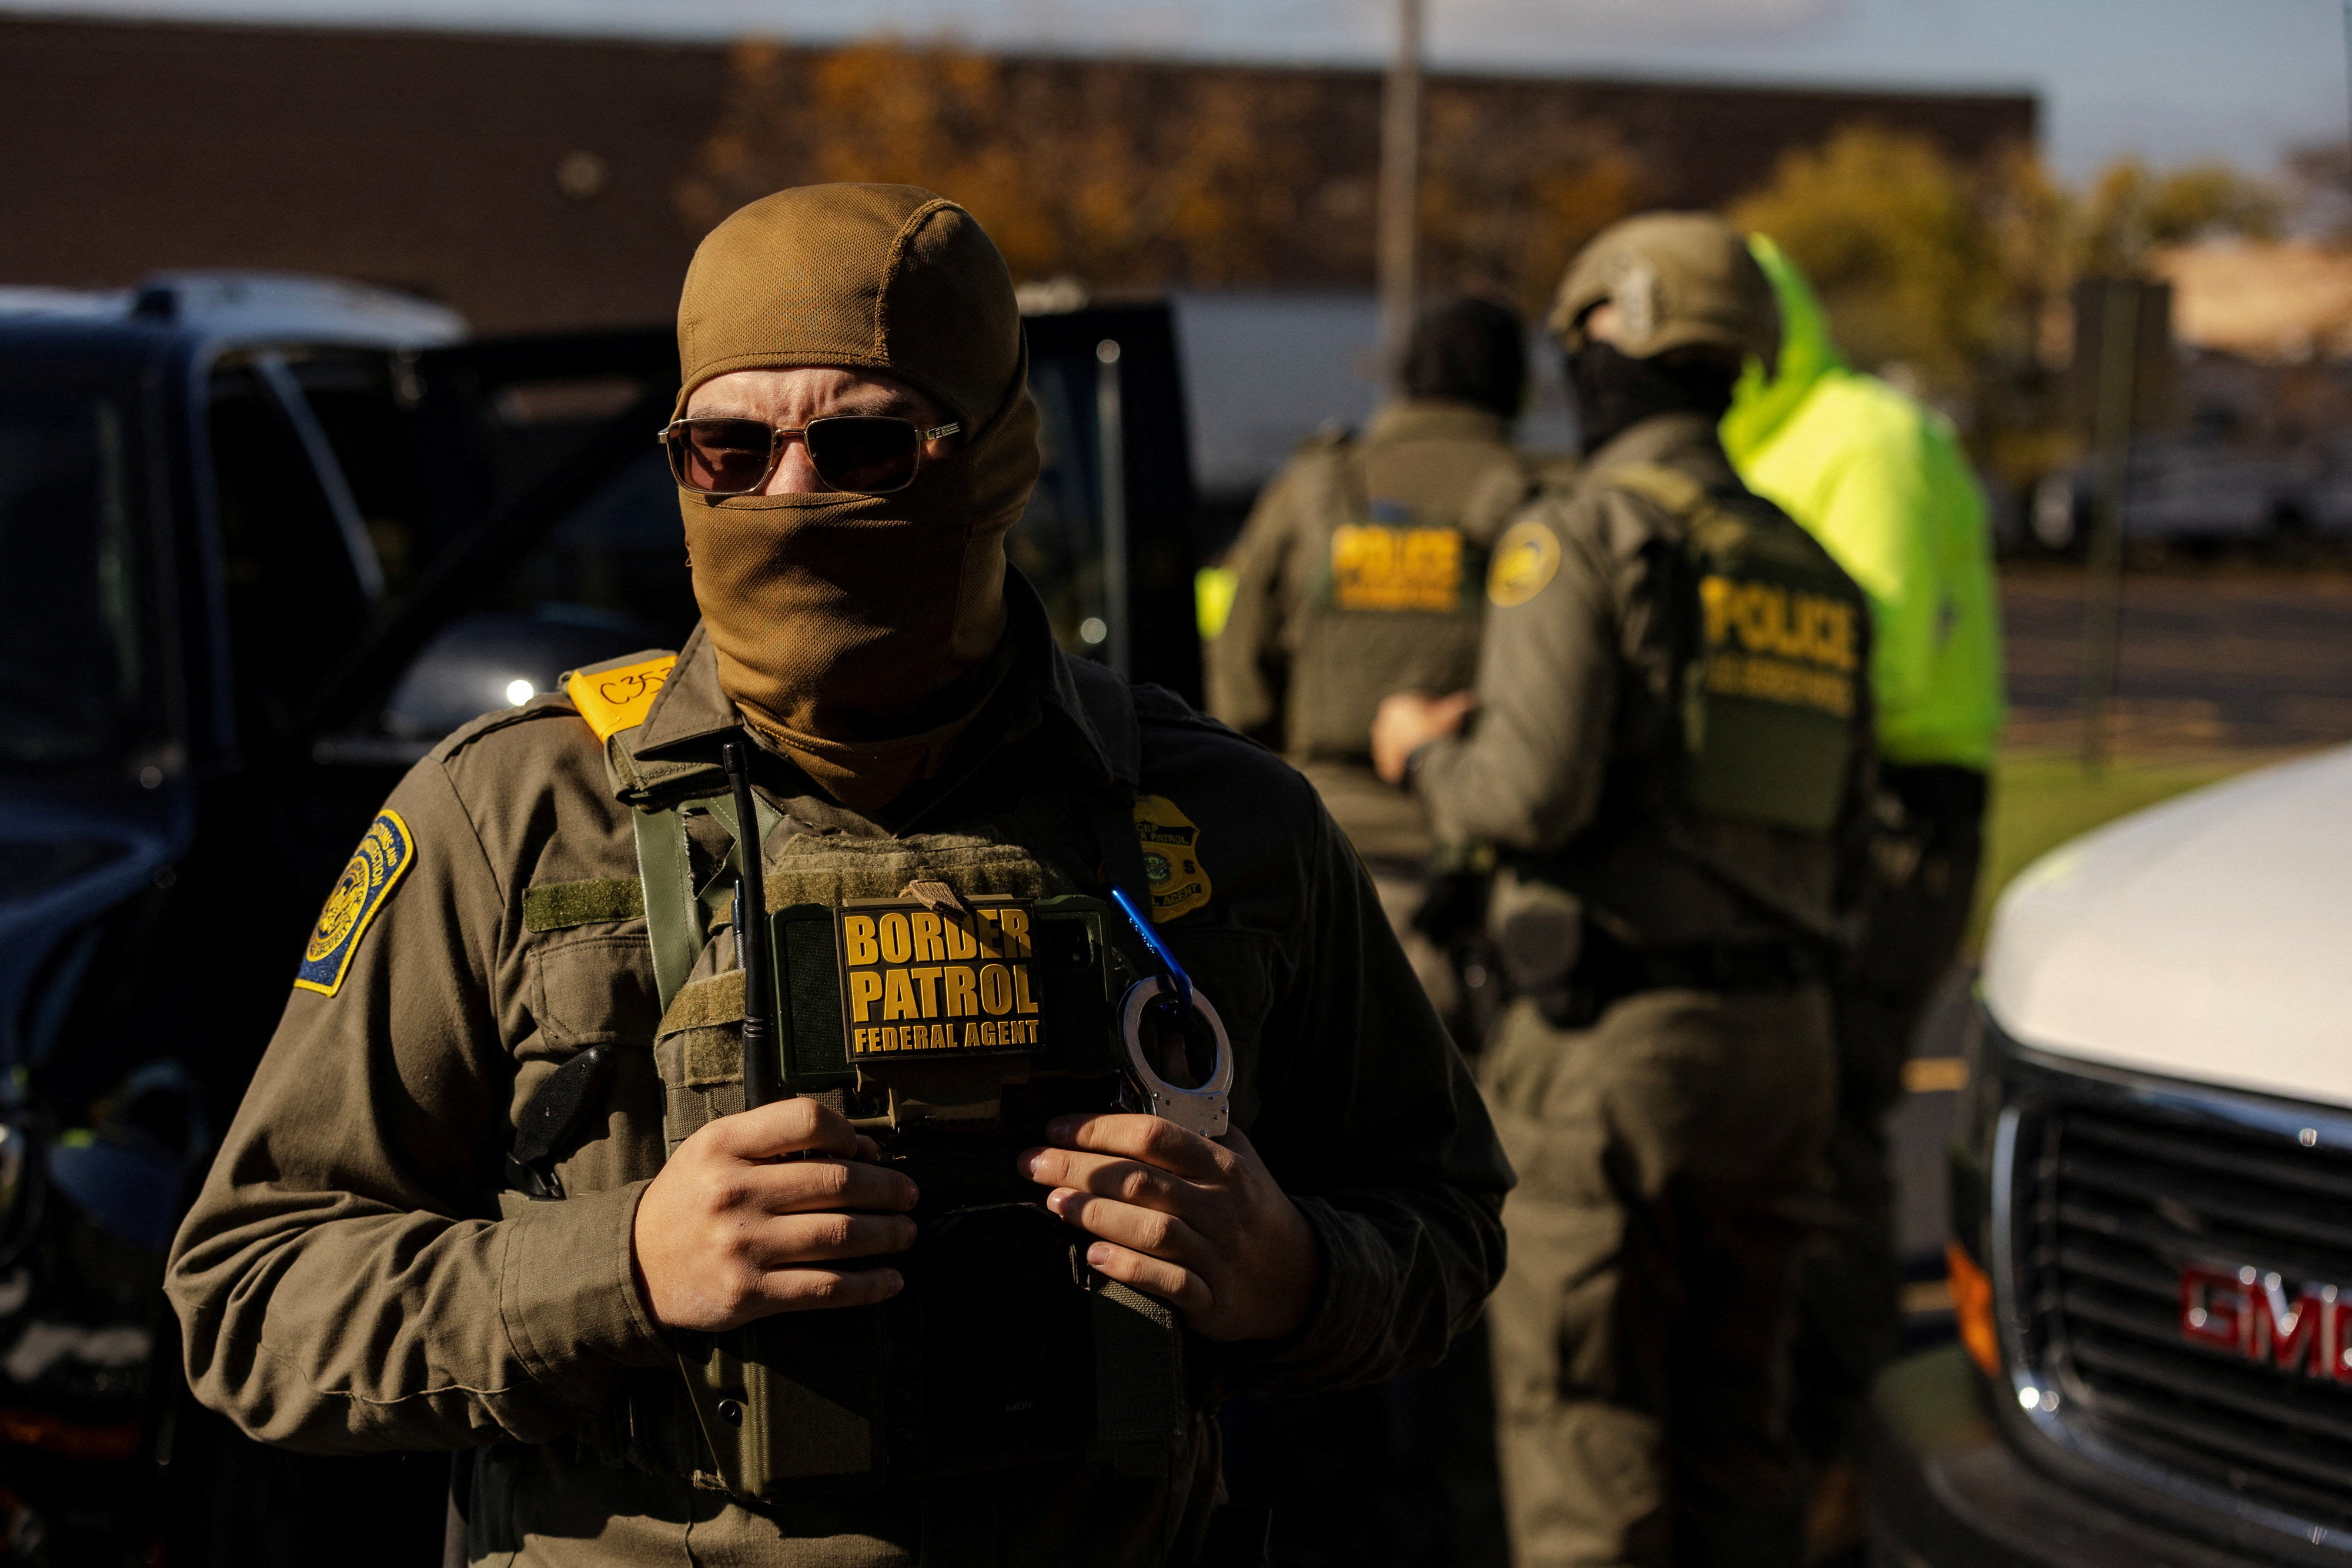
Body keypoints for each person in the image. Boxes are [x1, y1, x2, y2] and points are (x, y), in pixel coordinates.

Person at [165, 183, 1512, 1568]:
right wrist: (620, 1268)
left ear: (991, 457)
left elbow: (1443, 1213)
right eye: (727, 450)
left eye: (862, 444)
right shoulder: (512, 814)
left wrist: (1293, 1273)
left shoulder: (1222, 819)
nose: (786, 500)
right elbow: (249, 1299)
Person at [1370, 212, 1872, 1568]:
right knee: (1736, 1437)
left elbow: (1523, 798)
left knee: (1585, 1439)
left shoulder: (1576, 535)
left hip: (1614, 1056)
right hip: (1785, 1058)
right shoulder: (1813, 576)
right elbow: (1844, 841)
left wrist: (1425, 752)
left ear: (1607, 342)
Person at [1719, 234, 2004, 1545]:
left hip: (1892, 808)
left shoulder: (1862, 434)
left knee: (1832, 1117)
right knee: (1799, 1115)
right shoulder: (1764, 441)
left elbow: (1875, 658)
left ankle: (1844, 1451)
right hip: (1818, 808)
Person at [1206, 296, 1531, 1031]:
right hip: (1476, 887)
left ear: (1406, 378)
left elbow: (1238, 684)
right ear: (1518, 389)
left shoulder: (1315, 486)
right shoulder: (1543, 501)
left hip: (1316, 870)